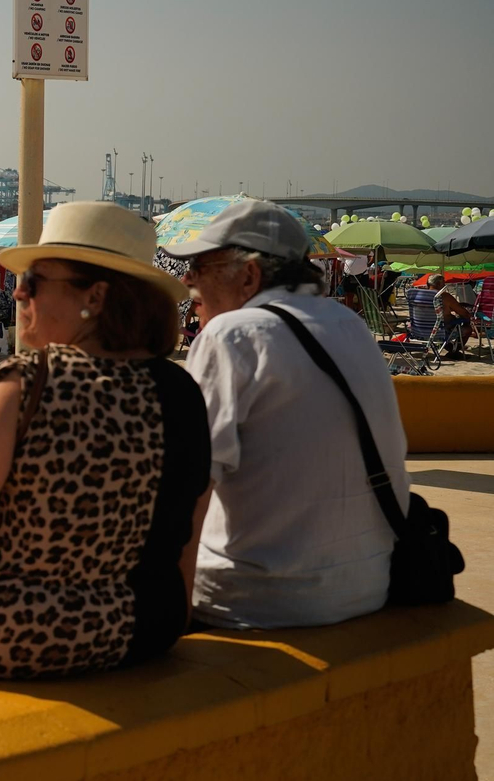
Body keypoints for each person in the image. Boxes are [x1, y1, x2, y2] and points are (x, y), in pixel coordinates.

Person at [0, 202, 210, 709]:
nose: (18, 291)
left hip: (8, 632)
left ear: (95, 296)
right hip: (143, 628)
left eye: (36, 279)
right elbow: (186, 548)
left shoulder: (31, 381)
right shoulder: (183, 392)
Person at [161, 199, 411, 629]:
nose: (187, 280)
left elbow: (190, 488)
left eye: (199, 267)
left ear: (249, 276)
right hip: (368, 586)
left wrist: (171, 616)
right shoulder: (348, 325)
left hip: (260, 598)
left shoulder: (232, 334)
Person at [427, 273, 474, 356]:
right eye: (444, 283)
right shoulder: (444, 296)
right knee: (467, 328)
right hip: (441, 330)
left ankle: (448, 346)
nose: (445, 285)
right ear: (439, 284)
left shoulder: (419, 295)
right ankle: (454, 351)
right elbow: (464, 313)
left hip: (421, 329)